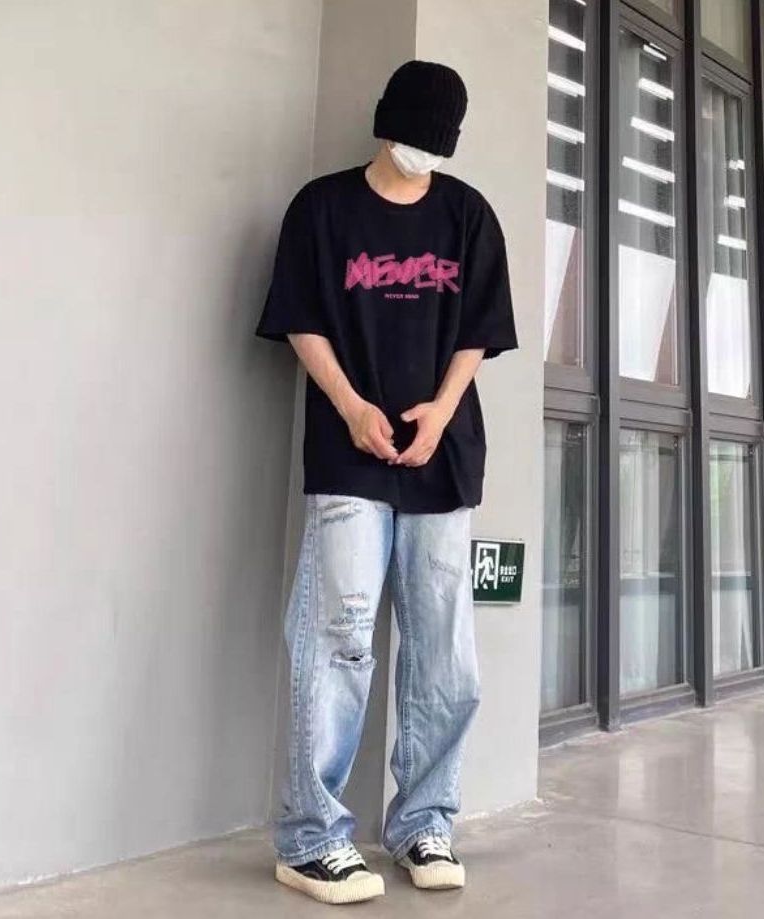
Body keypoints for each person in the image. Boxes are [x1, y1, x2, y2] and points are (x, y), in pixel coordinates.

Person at [254, 59, 518, 906]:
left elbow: (478, 331)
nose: (422, 155)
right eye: (412, 139)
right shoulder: (323, 208)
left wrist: (440, 411)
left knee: (445, 655)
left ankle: (424, 822)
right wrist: (350, 406)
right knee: (337, 638)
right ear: (384, 123)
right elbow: (300, 318)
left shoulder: (467, 213)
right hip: (348, 457)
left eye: (436, 145)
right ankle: (311, 839)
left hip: (443, 454)